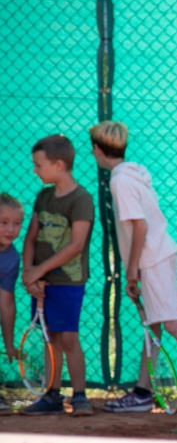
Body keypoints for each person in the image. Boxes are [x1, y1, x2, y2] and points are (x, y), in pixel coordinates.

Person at [89, 121, 177, 415]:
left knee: (171, 323)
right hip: (157, 255)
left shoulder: (120, 181)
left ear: (97, 150)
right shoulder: (133, 173)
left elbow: (139, 226)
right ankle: (142, 392)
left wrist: (133, 269)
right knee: (154, 327)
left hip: (152, 258)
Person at [20, 135, 94, 416]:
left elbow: (76, 244)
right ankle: (51, 395)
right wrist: (30, 275)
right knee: (50, 338)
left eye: (39, 165)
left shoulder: (81, 199)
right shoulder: (43, 197)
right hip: (42, 283)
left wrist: (40, 269)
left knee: (69, 339)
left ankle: (79, 396)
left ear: (59, 164)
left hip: (68, 283)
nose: (35, 170)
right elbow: (30, 238)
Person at [0, 193, 25, 415]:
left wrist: (9, 343)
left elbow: (6, 303)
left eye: (17, 224)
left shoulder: (12, 258)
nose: (11, 230)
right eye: (4, 223)